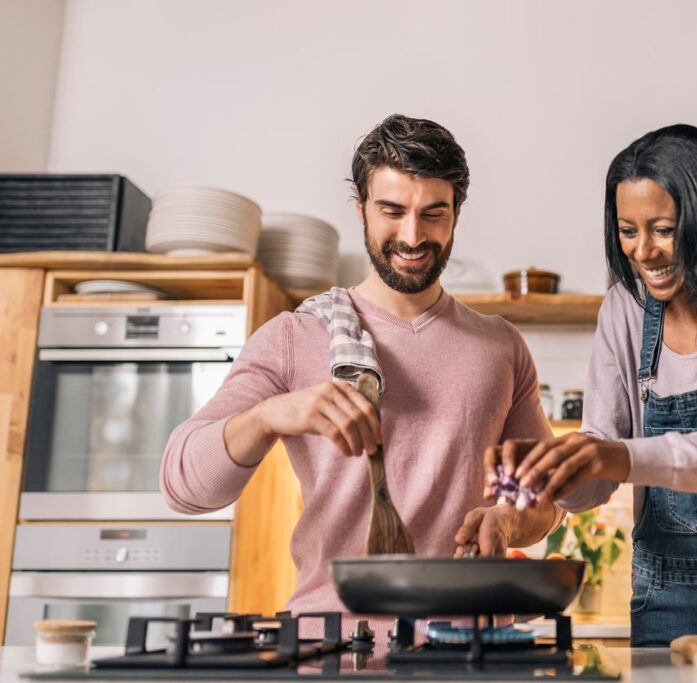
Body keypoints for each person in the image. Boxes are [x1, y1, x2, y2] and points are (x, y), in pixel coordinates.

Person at [161, 114, 561, 624]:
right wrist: (269, 415)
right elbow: (184, 486)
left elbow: (544, 500)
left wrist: (509, 521)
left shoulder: (500, 346)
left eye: (433, 214)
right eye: (392, 211)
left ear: (457, 213)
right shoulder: (296, 337)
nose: (413, 236)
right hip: (330, 644)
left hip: (470, 650)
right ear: (361, 209)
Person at [487, 124, 697, 647]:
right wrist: (552, 474)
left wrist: (617, 457)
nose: (644, 252)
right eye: (628, 230)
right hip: (666, 595)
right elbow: (596, 479)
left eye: (665, 229)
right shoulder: (624, 310)